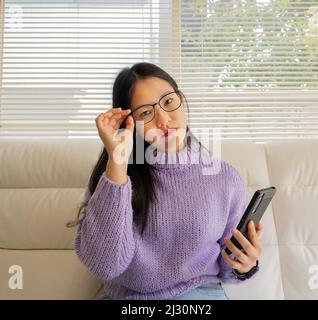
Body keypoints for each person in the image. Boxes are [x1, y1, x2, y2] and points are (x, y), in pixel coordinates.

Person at [67, 62, 264, 300]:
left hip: (198, 295)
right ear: (130, 124)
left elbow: (228, 269)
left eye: (169, 102)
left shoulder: (224, 177)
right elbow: (105, 265)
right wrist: (117, 161)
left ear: (181, 99)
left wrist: (245, 264)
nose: (163, 120)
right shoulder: (114, 177)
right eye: (146, 113)